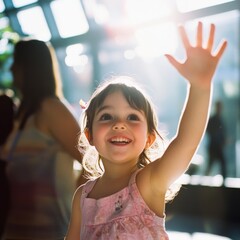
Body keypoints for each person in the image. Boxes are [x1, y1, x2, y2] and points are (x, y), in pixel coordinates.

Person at [65, 22, 227, 239]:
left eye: (132, 117)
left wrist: (199, 87)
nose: (119, 124)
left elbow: (187, 141)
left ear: (150, 138)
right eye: (106, 116)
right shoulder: (82, 197)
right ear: (90, 135)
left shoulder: (148, 182)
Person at [1, 39, 83, 239]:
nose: (11, 69)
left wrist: (78, 209)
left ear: (29, 68)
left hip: (51, 231)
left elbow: (92, 162)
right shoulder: (22, 115)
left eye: (16, 63)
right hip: (16, 229)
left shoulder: (52, 109)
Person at [205, 100, 227, 178]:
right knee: (211, 164)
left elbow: (221, 132)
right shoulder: (214, 119)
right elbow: (209, 131)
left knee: (218, 163)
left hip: (217, 146)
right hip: (214, 146)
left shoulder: (219, 119)